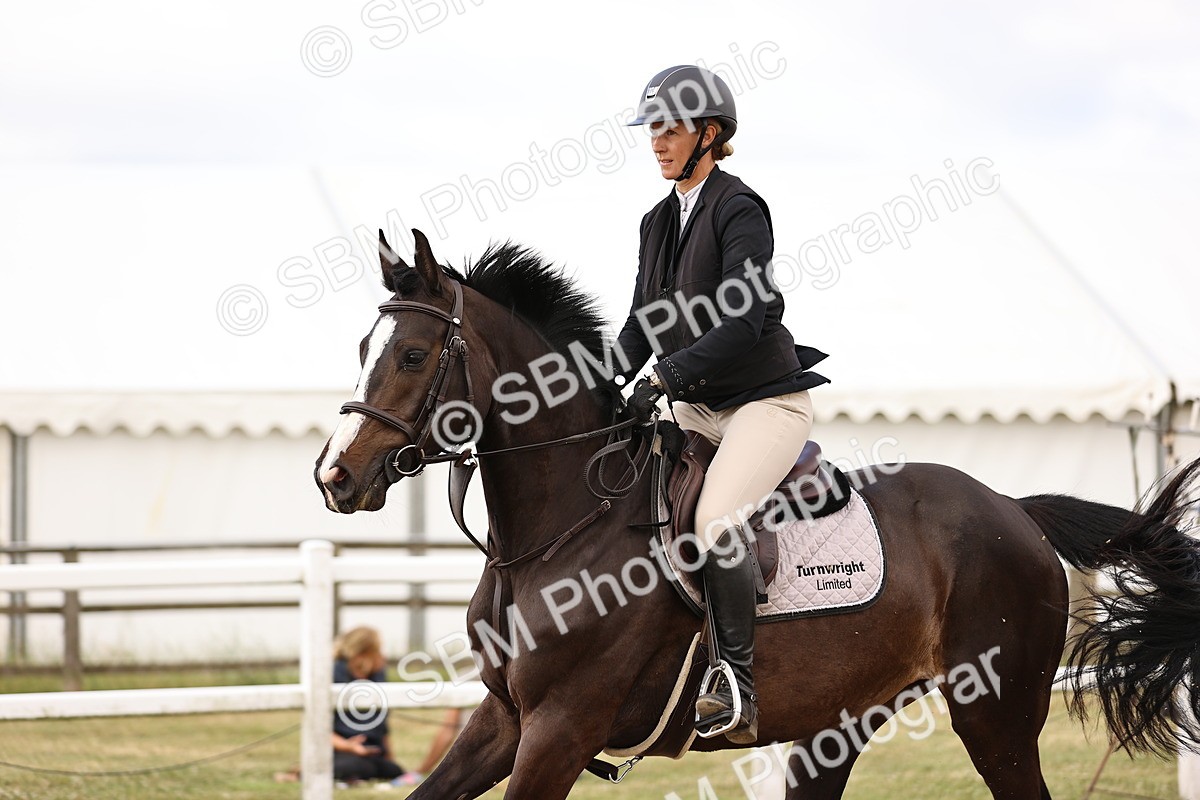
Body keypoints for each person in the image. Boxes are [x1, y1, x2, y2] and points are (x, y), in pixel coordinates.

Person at [614, 65, 829, 744]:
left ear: (710, 134)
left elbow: (743, 319)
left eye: (671, 127)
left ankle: (735, 680)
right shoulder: (656, 221)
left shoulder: (739, 208)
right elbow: (641, 323)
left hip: (763, 404)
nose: (658, 141)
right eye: (652, 127)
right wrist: (596, 387)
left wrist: (665, 377)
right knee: (635, 505)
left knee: (713, 521)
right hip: (694, 404)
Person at [331, 626, 413, 786]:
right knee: (353, 766)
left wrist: (389, 756)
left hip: (372, 752)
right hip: (342, 751)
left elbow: (382, 725)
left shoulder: (377, 676)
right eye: (378, 651)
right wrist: (348, 746)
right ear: (364, 654)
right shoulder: (334, 674)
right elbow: (320, 729)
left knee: (393, 770)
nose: (383, 656)